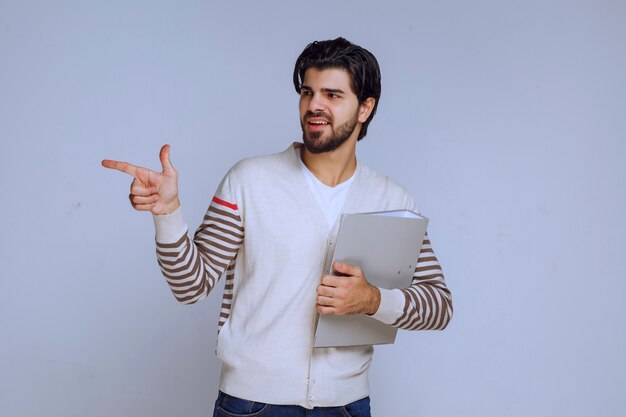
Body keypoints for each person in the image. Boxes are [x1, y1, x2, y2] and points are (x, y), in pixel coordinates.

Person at [102, 37, 452, 417]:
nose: (314, 105)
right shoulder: (249, 181)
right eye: (307, 92)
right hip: (252, 404)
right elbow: (190, 285)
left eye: (332, 95)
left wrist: (373, 300)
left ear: (365, 108)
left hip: (346, 406)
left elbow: (439, 306)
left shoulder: (392, 200)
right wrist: (168, 213)